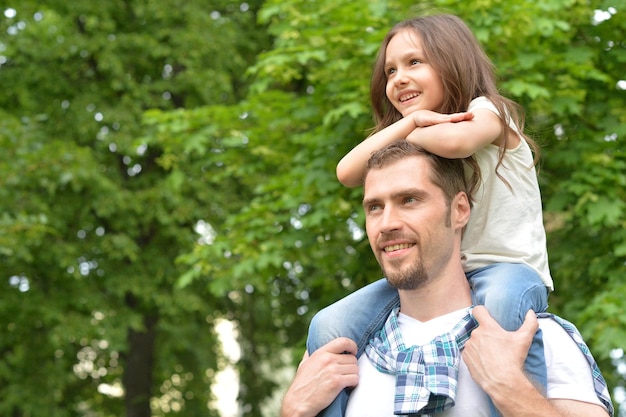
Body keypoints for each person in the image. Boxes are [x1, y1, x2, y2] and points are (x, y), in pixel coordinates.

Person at [307, 13, 553, 414]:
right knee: (328, 325)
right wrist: (414, 121)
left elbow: (459, 141)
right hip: (440, 272)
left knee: (501, 311)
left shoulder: (489, 111)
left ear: (453, 62)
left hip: (506, 269)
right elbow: (347, 172)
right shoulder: (416, 137)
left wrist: (408, 126)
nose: (398, 78)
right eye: (390, 70)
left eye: (414, 63)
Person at [281, 141, 613, 417]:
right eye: (375, 208)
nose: (387, 223)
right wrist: (293, 411)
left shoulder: (533, 338)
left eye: (409, 200)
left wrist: (511, 388)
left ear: (459, 210)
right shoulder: (339, 356)